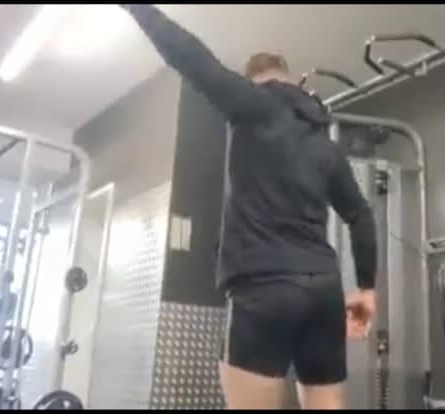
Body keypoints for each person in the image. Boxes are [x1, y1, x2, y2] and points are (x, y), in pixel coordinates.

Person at [121, 5, 378, 409]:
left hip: (265, 287)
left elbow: (188, 55)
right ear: (290, 80)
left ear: (257, 81)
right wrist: (366, 287)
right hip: (324, 291)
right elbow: (360, 215)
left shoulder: (254, 104)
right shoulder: (325, 145)